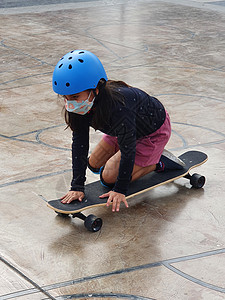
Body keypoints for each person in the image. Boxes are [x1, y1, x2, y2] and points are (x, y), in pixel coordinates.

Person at [52, 50, 183, 212]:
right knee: (92, 164)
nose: (70, 104)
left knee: (108, 178)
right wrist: (77, 186)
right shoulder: (83, 105)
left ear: (96, 90)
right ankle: (145, 160)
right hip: (124, 129)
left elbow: (128, 150)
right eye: (65, 98)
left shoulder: (118, 108)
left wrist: (120, 189)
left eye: (75, 97)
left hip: (153, 132)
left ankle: (159, 162)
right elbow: (79, 143)